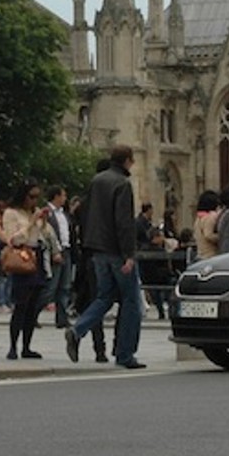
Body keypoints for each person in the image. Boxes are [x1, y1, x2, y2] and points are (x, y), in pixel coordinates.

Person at [67, 143, 143, 369]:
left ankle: (78, 329)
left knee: (104, 297)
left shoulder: (97, 180)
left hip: (96, 250)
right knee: (131, 301)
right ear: (127, 160)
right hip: (117, 251)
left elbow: (84, 212)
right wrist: (129, 254)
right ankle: (125, 353)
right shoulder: (122, 184)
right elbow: (124, 222)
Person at [0, 181, 53, 360]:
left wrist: (42, 222)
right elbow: (13, 239)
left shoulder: (33, 213)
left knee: (33, 306)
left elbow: (42, 235)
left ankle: (27, 346)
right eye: (31, 197)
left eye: (37, 197)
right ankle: (13, 345)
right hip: (22, 254)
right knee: (21, 304)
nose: (34, 201)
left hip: (36, 255)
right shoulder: (11, 213)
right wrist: (30, 223)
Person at [45, 185, 72, 328]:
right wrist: (54, 251)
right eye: (63, 195)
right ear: (56, 196)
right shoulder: (47, 212)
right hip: (54, 252)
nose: (65, 198)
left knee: (65, 286)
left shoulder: (63, 213)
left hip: (66, 250)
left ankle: (62, 317)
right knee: (51, 286)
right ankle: (33, 313)